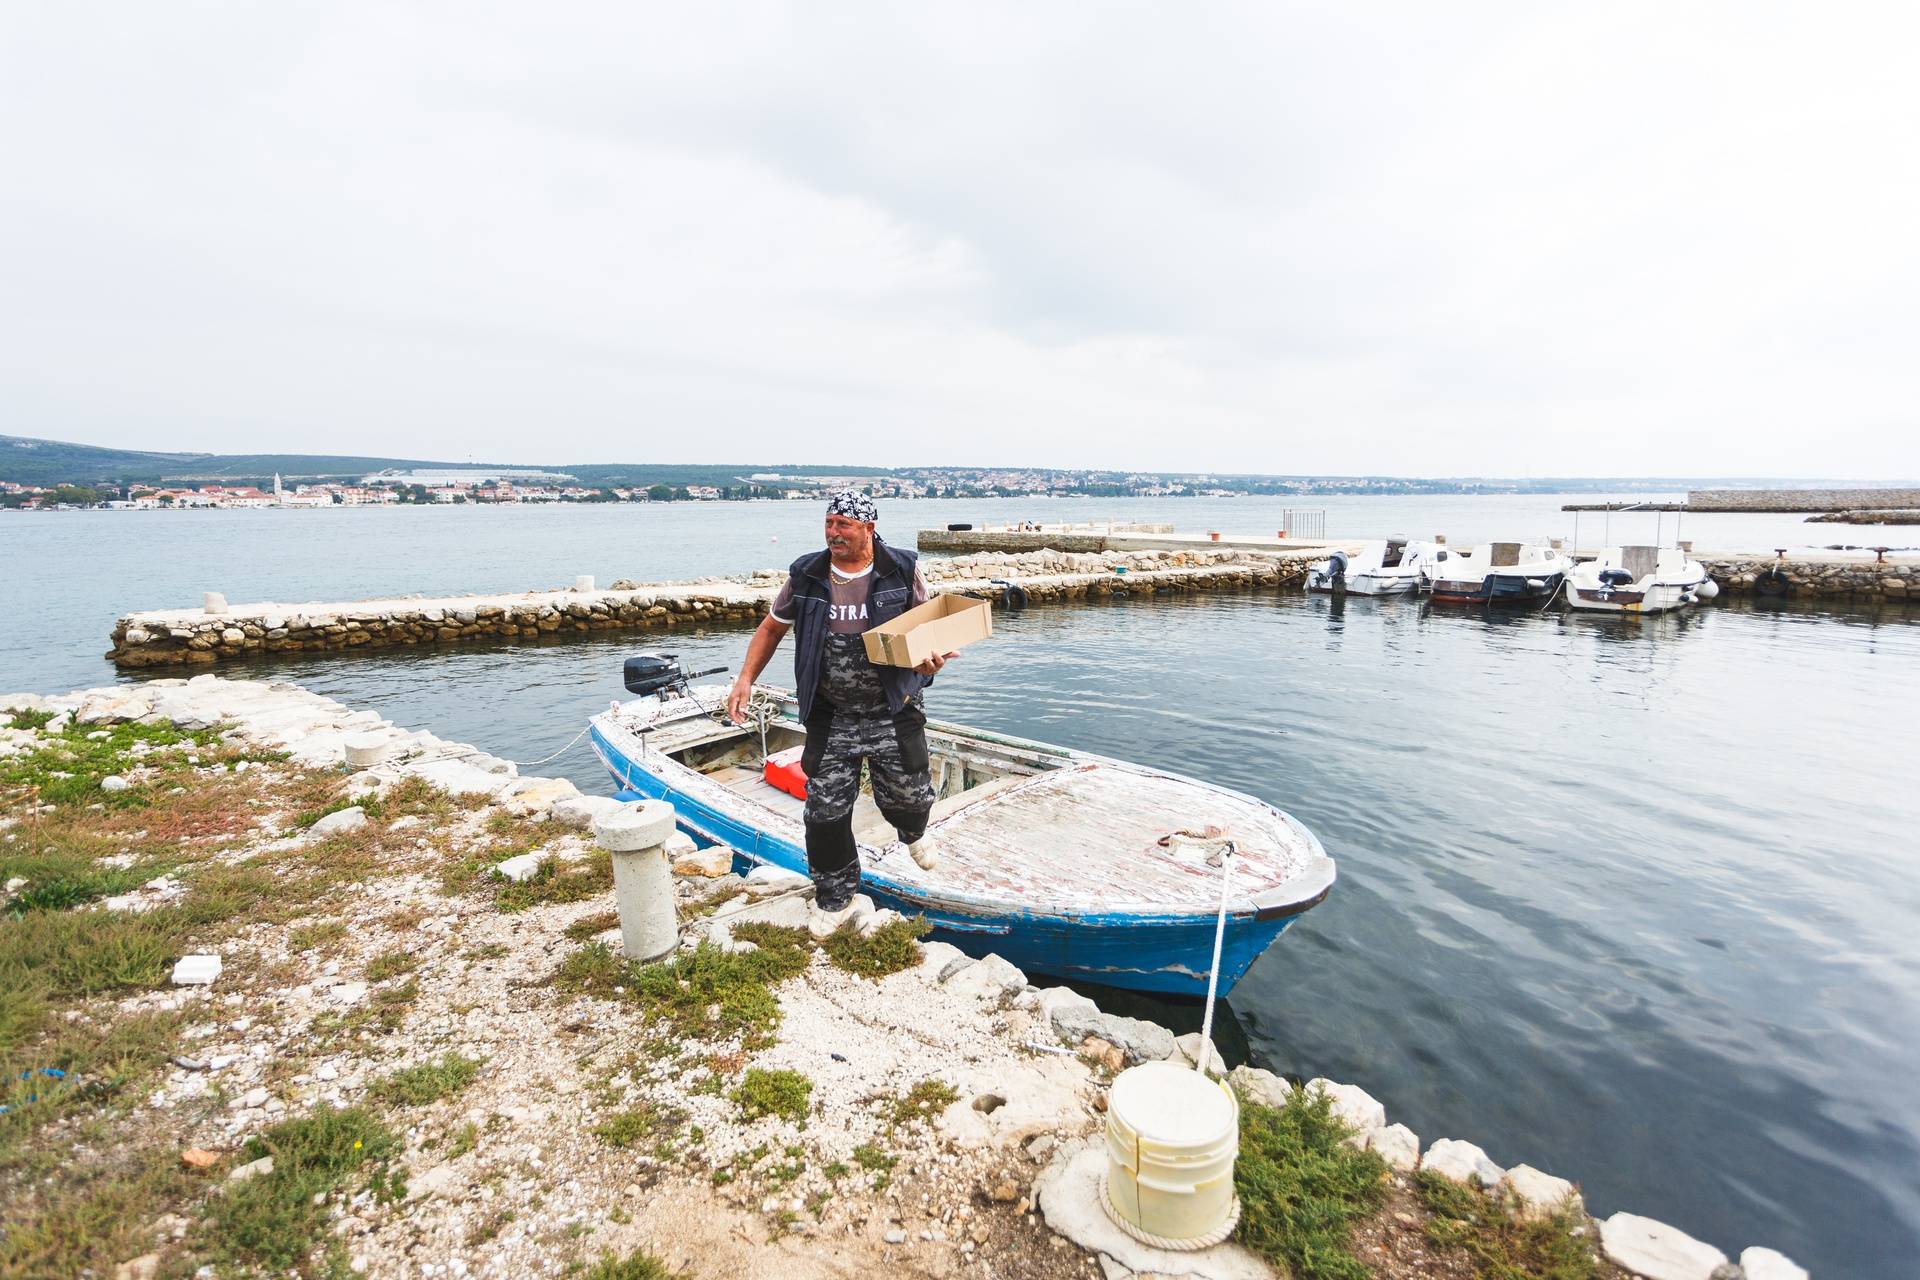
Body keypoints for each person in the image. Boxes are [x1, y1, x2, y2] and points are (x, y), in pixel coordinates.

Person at [725, 490, 955, 933]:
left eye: (843, 524)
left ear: (869, 527)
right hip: (831, 716)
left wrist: (932, 658)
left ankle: (913, 833)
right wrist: (745, 679)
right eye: (829, 522)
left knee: (908, 796)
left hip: (893, 707)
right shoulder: (807, 574)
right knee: (825, 814)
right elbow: (772, 627)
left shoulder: (902, 570)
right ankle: (835, 899)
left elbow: (927, 630)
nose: (833, 532)